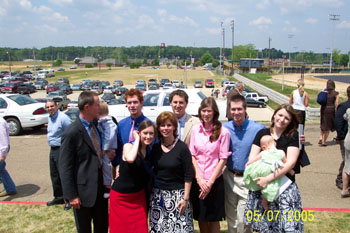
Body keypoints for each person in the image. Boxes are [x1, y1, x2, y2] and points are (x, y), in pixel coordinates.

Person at [245, 104, 303, 233]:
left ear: (290, 121)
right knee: (264, 227)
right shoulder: (262, 134)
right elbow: (252, 158)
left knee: (288, 227)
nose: (282, 120)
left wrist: (268, 178)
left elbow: (291, 163)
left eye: (287, 118)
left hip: (284, 188)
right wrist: (264, 180)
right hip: (262, 188)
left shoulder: (293, 136)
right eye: (280, 115)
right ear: (274, 115)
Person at [59, 91, 110, 233]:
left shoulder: (96, 125)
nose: (100, 107)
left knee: (102, 227)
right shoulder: (72, 133)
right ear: (87, 107)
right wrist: (71, 195)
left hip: (100, 190)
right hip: (82, 194)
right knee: (84, 229)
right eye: (97, 105)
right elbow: (65, 167)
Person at [222, 94, 265, 233]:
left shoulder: (258, 129)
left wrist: (298, 138)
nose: (236, 112)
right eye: (233, 109)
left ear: (245, 109)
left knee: (244, 219)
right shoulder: (225, 128)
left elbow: (274, 140)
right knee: (231, 218)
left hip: (248, 179)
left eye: (239, 109)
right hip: (228, 176)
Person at [189, 97, 231, 233]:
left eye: (209, 111)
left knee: (213, 218)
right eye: (203, 111)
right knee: (202, 217)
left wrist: (210, 182)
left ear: (214, 113)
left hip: (214, 182)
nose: (206, 114)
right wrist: (200, 179)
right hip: (199, 180)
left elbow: (223, 158)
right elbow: (192, 155)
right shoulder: (195, 130)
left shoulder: (223, 132)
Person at [149, 111, 194, 233]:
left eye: (169, 125)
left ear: (174, 127)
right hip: (158, 198)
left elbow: (188, 175)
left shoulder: (182, 148)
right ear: (158, 128)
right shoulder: (155, 148)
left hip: (178, 197)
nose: (165, 128)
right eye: (162, 125)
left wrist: (185, 199)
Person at [109, 120, 155, 233]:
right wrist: (137, 140)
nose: (148, 136)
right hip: (121, 197)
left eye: (151, 133)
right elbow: (130, 159)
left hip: (138, 197)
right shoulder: (128, 146)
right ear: (139, 133)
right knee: (121, 229)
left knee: (140, 228)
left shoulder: (150, 150)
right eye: (145, 133)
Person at [244, 135, 286, 210]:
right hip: (272, 171)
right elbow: (286, 163)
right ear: (275, 143)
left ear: (263, 147)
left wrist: (248, 163)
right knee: (272, 185)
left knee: (259, 181)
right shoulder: (281, 152)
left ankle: (263, 199)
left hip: (262, 170)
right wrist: (291, 170)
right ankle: (265, 201)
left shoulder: (263, 153)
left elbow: (254, 159)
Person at [45, 99, 72, 210]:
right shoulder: (50, 118)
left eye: (52, 106)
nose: (50, 109)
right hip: (53, 149)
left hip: (62, 150)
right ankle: (58, 197)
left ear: (57, 106)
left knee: (64, 175)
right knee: (54, 175)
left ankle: (68, 199)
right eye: (47, 107)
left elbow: (71, 133)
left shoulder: (63, 118)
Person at [113, 89, 150, 168]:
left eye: (135, 102)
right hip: (125, 168)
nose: (132, 105)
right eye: (129, 103)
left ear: (141, 103)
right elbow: (119, 148)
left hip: (143, 167)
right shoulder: (122, 124)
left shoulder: (148, 125)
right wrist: (118, 166)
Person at [97, 101, 118, 199]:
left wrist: (104, 149)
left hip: (109, 148)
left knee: (106, 166)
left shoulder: (108, 122)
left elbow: (109, 136)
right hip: (106, 148)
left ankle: (107, 186)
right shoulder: (101, 122)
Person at [335, 86, 350, 190]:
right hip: (345, 138)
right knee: (346, 160)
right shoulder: (344, 106)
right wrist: (341, 136)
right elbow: (338, 122)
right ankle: (340, 180)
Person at [0, 117, 17, 197]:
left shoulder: (0, 122)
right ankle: (10, 188)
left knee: (1, 170)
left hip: (1, 149)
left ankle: (11, 189)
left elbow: (3, 140)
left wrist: (3, 155)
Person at [319, 80, 339, 146]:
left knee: (323, 123)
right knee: (328, 125)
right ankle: (324, 142)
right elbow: (337, 104)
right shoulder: (336, 93)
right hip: (331, 109)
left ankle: (321, 137)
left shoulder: (324, 92)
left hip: (323, 108)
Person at [341, 108, 350, 198]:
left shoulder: (348, 110)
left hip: (348, 140)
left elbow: (345, 117)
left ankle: (344, 189)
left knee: (347, 165)